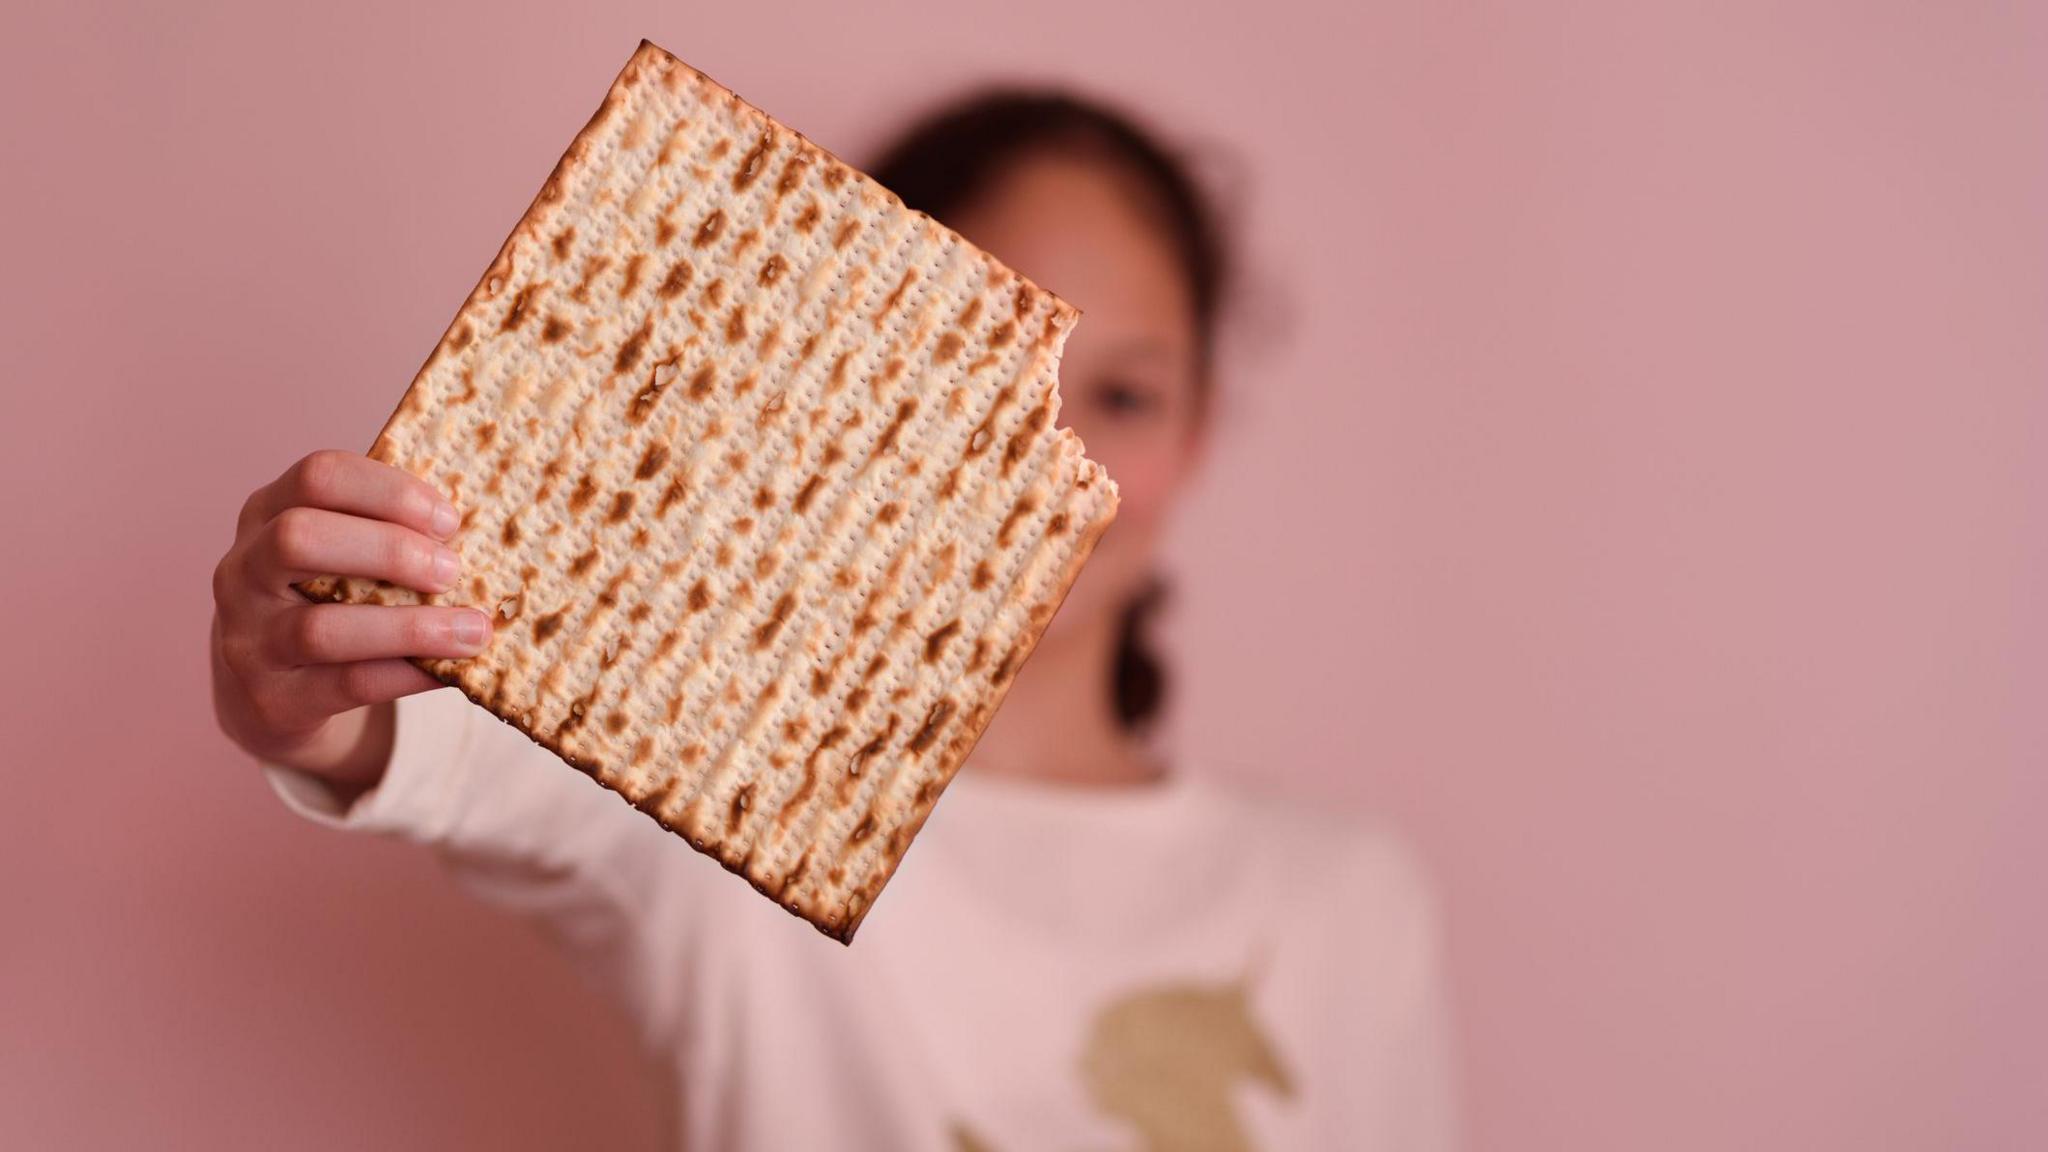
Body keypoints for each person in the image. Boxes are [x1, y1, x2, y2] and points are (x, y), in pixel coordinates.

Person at [210, 89, 1458, 1151]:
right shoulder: (715, 802)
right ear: (841, 375)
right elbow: (435, 742)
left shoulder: (1342, 903)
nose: (1048, 465)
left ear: (1200, 432)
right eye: (975, 376)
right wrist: (304, 685)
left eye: (1122, 394)